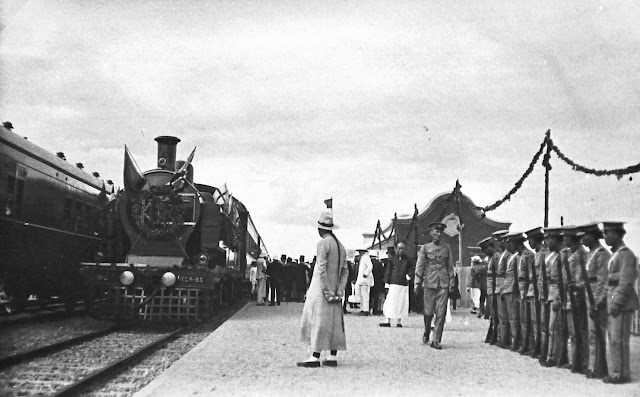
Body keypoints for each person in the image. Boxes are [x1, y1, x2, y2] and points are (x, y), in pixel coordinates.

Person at [298, 211, 348, 367]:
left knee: (317, 320)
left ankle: (315, 356)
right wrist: (339, 290)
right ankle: (332, 356)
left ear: (321, 229)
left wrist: (327, 292)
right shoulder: (341, 246)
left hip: (321, 290)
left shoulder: (323, 244)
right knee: (334, 322)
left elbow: (321, 269)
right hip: (336, 290)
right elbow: (345, 271)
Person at [602, 221, 638, 384]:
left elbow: (626, 282)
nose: (605, 237)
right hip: (614, 302)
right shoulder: (616, 254)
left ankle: (620, 373)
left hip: (622, 305)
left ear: (616, 234)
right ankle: (619, 372)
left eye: (607, 233)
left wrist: (616, 303)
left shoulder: (626, 255)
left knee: (619, 340)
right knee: (614, 339)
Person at [577, 222, 610, 379]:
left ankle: (597, 367)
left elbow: (604, 281)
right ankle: (592, 365)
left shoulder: (602, 254)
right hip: (587, 296)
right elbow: (587, 279)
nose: (582, 239)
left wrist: (597, 301)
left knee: (596, 333)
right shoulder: (590, 254)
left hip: (595, 299)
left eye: (585, 236)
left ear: (592, 236)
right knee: (590, 333)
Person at [414, 222, 455, 350]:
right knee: (428, 312)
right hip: (430, 283)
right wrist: (417, 282)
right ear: (431, 232)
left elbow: (450, 265)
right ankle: (427, 330)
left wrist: (452, 281)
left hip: (443, 283)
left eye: (440, 232)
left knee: (441, 313)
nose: (438, 234)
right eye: (436, 232)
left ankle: (436, 340)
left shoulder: (446, 247)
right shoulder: (425, 248)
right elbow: (420, 265)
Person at [561, 226, 589, 373]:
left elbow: (580, 277)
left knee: (580, 330)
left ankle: (583, 362)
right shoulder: (570, 253)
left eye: (566, 237)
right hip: (569, 295)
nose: (564, 239)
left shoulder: (580, 254)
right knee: (573, 332)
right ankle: (576, 361)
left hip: (577, 296)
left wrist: (576, 289)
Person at [543, 227, 566, 368]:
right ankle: (552, 356)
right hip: (551, 294)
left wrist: (557, 298)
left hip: (557, 296)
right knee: (553, 328)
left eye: (549, 239)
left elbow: (560, 280)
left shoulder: (562, 256)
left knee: (555, 328)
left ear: (556, 239)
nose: (546, 242)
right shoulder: (556, 255)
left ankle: (554, 357)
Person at [525, 226, 547, 360]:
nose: (529, 243)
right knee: (535, 321)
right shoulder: (537, 254)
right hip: (534, 290)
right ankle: (536, 347)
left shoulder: (543, 254)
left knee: (541, 322)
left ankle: (541, 349)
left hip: (540, 291)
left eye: (530, 240)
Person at [380, 241, 413, 328]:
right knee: (390, 302)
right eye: (399, 248)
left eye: (402, 248)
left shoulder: (408, 259)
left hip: (403, 284)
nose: (401, 250)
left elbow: (412, 269)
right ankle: (387, 320)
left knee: (401, 303)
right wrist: (386, 282)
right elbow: (388, 271)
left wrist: (408, 276)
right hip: (393, 283)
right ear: (396, 249)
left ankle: (399, 321)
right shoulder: (392, 259)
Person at [479, 236, 500, 345]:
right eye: (484, 250)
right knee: (492, 313)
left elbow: (498, 275)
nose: (486, 251)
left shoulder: (496, 258)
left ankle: (495, 337)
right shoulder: (491, 258)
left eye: (487, 248)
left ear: (492, 247)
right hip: (490, 290)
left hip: (495, 290)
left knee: (495, 314)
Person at [355, 250, 374, 316]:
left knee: (365, 295)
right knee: (361, 295)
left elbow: (370, 266)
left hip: (364, 280)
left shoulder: (366, 257)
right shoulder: (362, 258)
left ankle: (366, 310)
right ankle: (363, 309)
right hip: (361, 280)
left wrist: (366, 273)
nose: (360, 252)